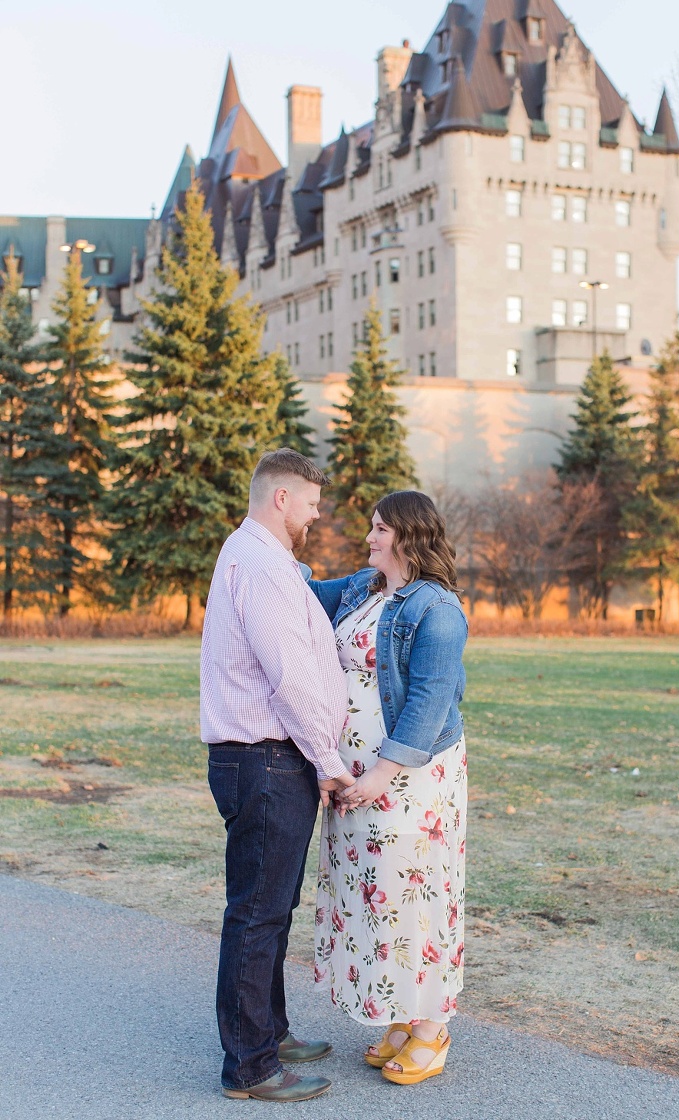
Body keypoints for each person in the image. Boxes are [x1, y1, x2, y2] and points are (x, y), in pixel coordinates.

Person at [200, 448, 355, 1103]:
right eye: (312, 504)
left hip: (267, 759)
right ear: (281, 498)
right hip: (266, 759)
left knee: (271, 909)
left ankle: (270, 1032)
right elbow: (290, 677)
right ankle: (251, 1067)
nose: (316, 516)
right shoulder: (262, 565)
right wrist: (328, 760)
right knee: (258, 914)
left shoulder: (265, 558)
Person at [309, 490, 468, 1086]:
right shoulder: (363, 588)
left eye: (380, 529)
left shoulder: (438, 608)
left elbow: (430, 700)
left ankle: (433, 1027)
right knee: (376, 895)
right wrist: (263, 545)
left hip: (410, 780)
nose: (369, 537)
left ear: (408, 534)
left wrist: (381, 773)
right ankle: (403, 1015)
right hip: (355, 781)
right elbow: (301, 590)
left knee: (416, 892)